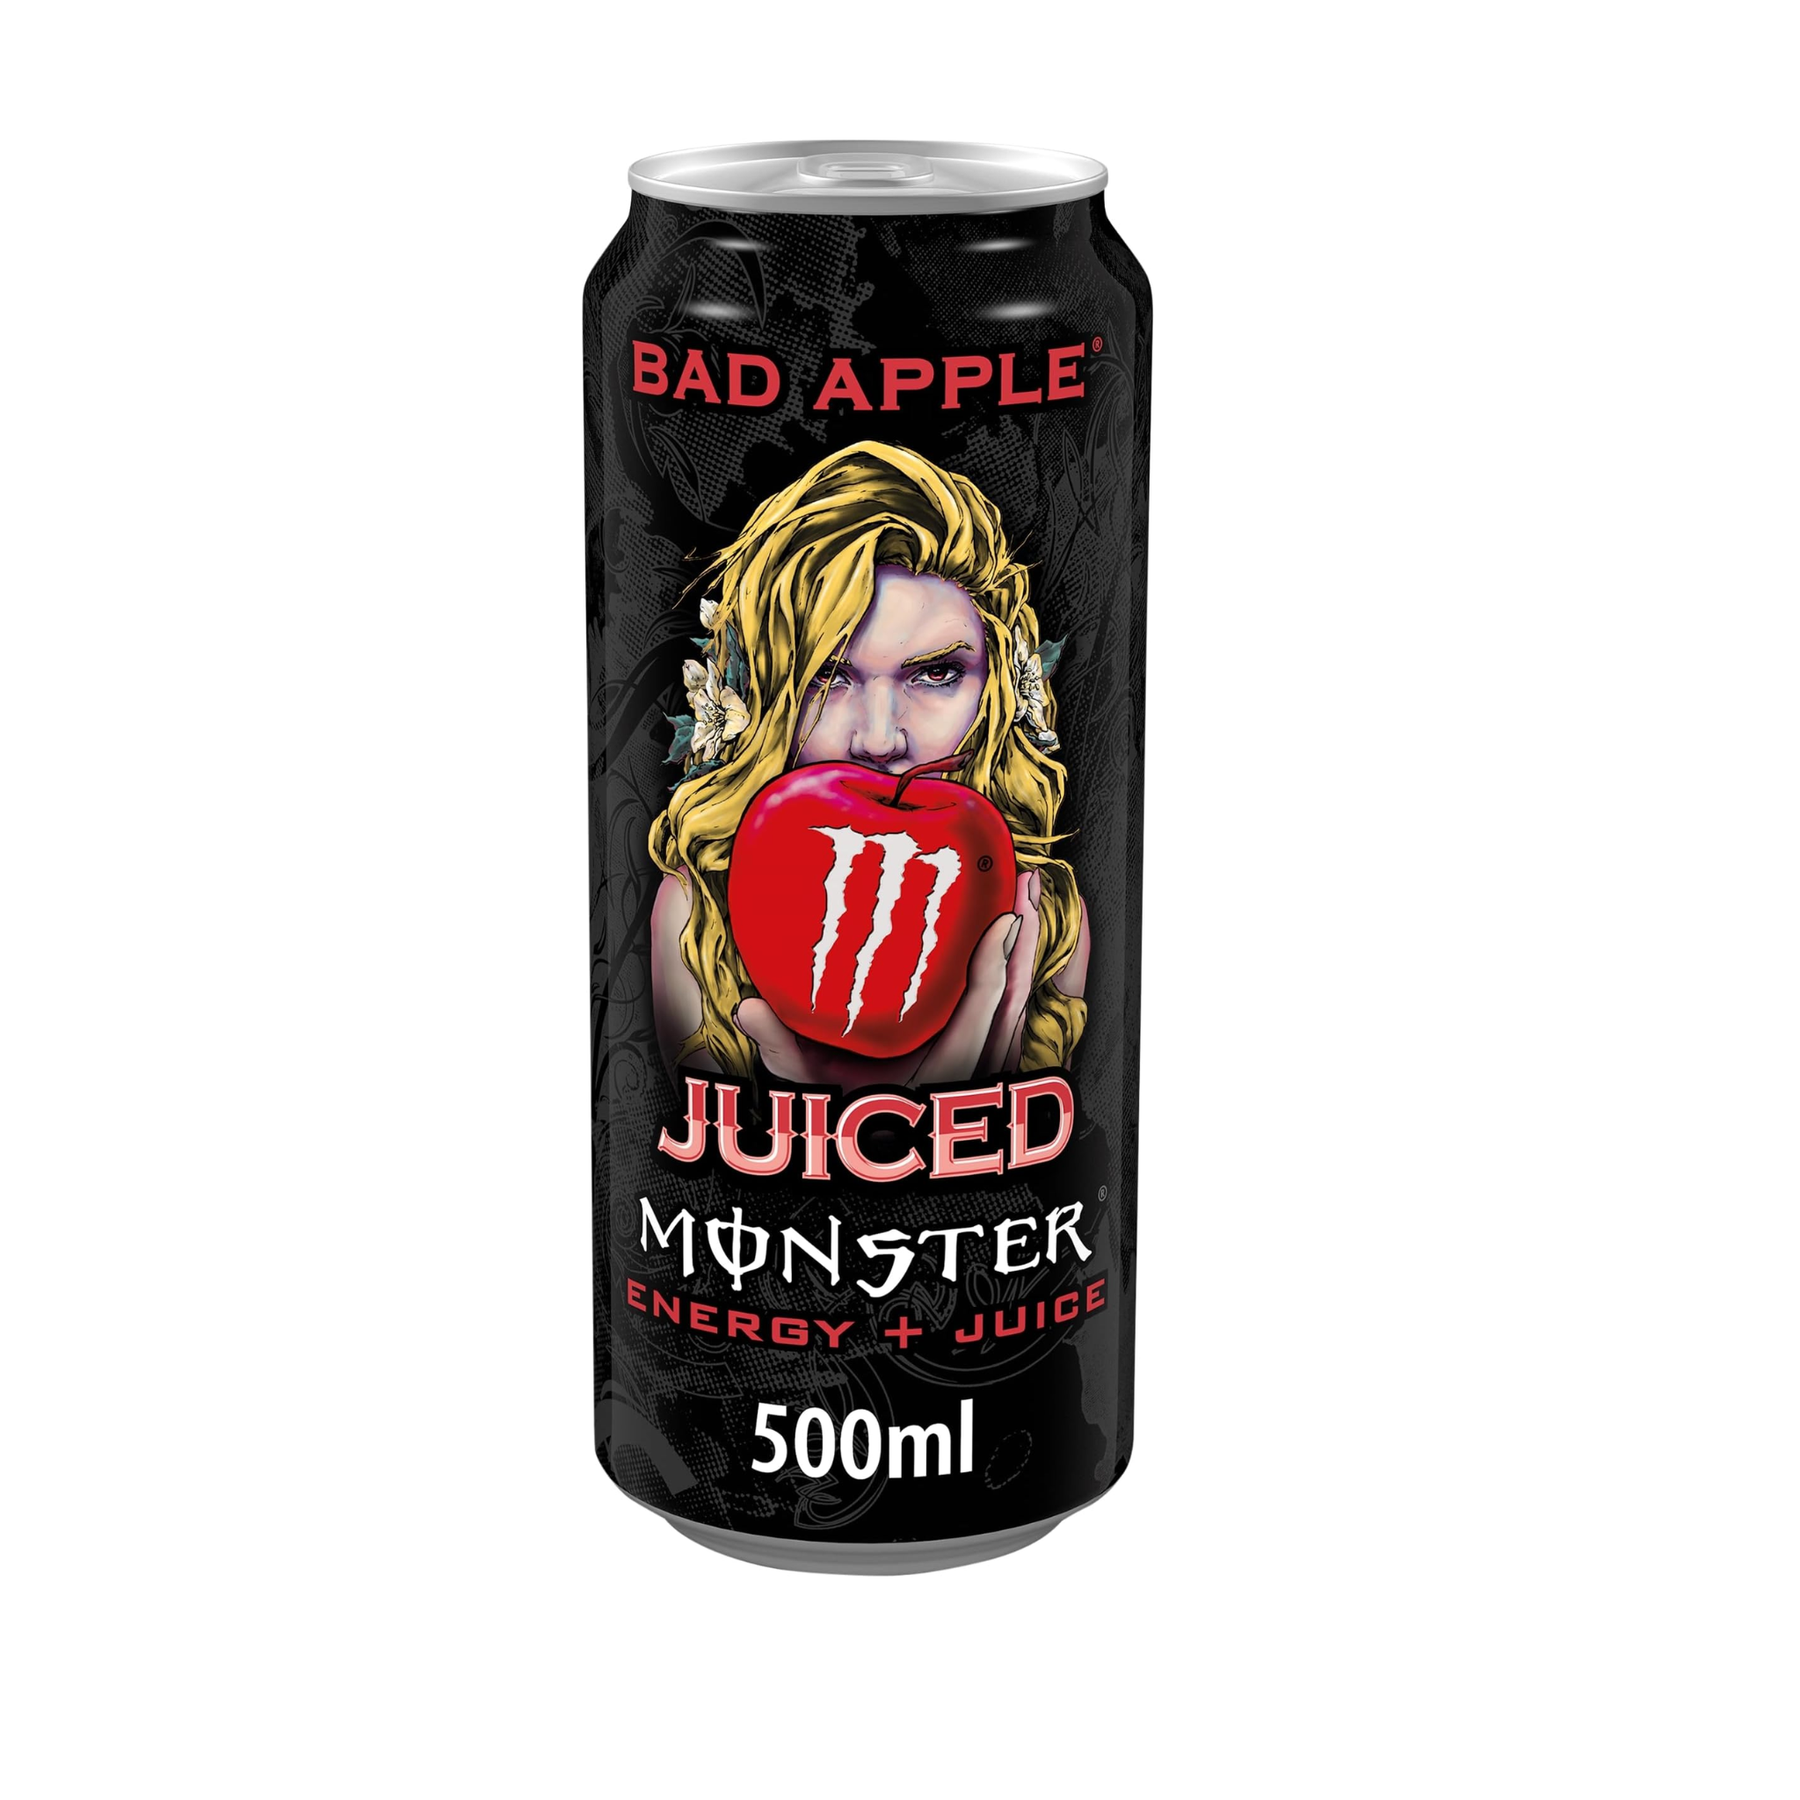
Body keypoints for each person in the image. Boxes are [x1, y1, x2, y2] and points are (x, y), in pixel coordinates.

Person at [648, 441, 1091, 1087]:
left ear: (996, 690)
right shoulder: (697, 915)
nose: (880, 740)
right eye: (827, 677)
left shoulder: (1047, 921)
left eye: (936, 673)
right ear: (761, 692)